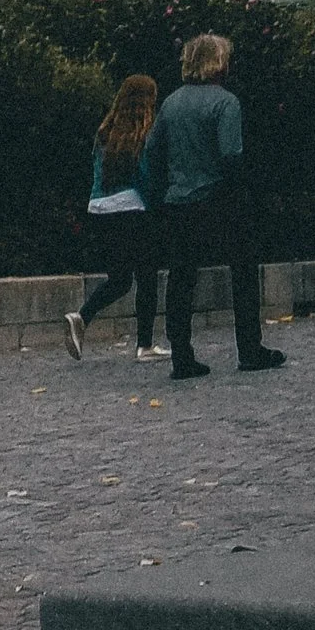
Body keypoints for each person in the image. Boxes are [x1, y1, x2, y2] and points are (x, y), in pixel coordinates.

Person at [142, 34, 283, 381]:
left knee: (181, 279)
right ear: (219, 62)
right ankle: (249, 348)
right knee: (243, 273)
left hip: (178, 202)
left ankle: (182, 355)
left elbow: (153, 152)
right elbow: (231, 155)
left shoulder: (171, 103)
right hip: (218, 201)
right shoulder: (226, 103)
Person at [65, 74, 164, 361]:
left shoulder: (105, 132)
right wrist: (155, 205)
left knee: (120, 279)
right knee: (147, 277)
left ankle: (82, 316)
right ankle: (144, 345)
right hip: (133, 208)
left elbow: (98, 173)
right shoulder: (144, 132)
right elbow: (145, 175)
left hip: (100, 210)